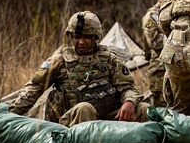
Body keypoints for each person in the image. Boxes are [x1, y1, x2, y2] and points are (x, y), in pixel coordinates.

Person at [9, 11, 143, 127]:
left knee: (144, 109)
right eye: (77, 37)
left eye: (86, 37)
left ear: (95, 37)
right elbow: (34, 88)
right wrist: (12, 113)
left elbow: (128, 87)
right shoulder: (60, 61)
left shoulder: (109, 59)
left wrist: (129, 101)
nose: (81, 42)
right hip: (73, 121)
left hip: (108, 117)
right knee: (84, 108)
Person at [141, 0, 186, 106]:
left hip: (179, 69)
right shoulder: (152, 15)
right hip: (161, 72)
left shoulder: (178, 11)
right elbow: (155, 43)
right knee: (163, 113)